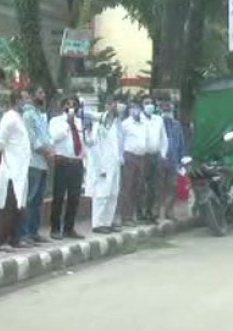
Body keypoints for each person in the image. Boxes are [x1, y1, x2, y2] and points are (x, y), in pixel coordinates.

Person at [0, 90, 31, 250]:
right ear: (17, 100)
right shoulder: (9, 118)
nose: (27, 101)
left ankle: (15, 238)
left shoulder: (19, 118)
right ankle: (2, 241)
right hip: (11, 169)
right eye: (25, 98)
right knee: (8, 205)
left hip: (21, 168)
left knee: (18, 205)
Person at [48, 95, 86, 239]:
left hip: (76, 162)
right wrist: (67, 124)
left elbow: (82, 141)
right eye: (68, 104)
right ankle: (55, 228)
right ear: (63, 106)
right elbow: (54, 137)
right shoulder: (56, 121)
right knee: (58, 196)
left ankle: (69, 228)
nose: (71, 107)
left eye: (74, 105)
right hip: (62, 161)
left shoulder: (80, 122)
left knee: (74, 197)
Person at [19, 87, 52, 244]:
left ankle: (34, 231)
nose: (43, 95)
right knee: (31, 198)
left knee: (38, 199)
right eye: (40, 93)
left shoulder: (40, 115)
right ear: (32, 96)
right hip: (33, 161)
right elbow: (32, 140)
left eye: (43, 93)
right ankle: (26, 233)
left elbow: (45, 137)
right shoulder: (28, 115)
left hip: (43, 162)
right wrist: (46, 152)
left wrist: (50, 150)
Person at [86, 97, 124, 234]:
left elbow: (119, 144)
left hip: (115, 163)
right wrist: (100, 167)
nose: (114, 106)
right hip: (103, 165)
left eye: (116, 103)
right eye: (111, 104)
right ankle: (98, 223)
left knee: (113, 194)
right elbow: (95, 147)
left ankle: (107, 222)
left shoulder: (117, 123)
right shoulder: (100, 123)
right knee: (102, 194)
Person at [119, 99, 155, 226]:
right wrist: (121, 157)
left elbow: (146, 140)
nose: (136, 110)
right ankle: (126, 217)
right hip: (129, 157)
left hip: (142, 157)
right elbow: (120, 142)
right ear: (129, 110)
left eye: (137, 108)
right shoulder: (125, 124)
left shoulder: (143, 124)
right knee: (127, 187)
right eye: (133, 108)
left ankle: (133, 215)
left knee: (138, 187)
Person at [157, 97, 188, 222]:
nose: (167, 110)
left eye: (169, 108)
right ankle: (159, 214)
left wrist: (182, 162)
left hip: (174, 162)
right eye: (164, 108)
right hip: (159, 161)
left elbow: (181, 144)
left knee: (173, 187)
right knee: (160, 188)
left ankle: (169, 210)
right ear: (160, 109)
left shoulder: (176, 125)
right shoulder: (156, 123)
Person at [140, 94, 168, 222]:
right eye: (146, 103)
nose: (149, 105)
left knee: (154, 186)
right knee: (141, 186)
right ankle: (140, 212)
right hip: (143, 156)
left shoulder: (158, 120)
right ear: (142, 105)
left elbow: (163, 139)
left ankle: (151, 212)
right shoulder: (138, 119)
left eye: (151, 103)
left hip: (156, 156)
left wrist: (163, 154)